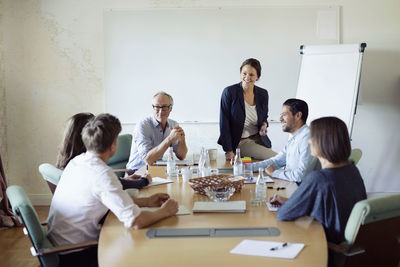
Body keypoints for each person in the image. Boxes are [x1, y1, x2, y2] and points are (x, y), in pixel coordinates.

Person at [47, 113, 178, 267]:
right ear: (113, 145)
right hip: (77, 254)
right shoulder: (102, 174)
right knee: (145, 250)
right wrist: (165, 211)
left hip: (59, 246)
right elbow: (136, 221)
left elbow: (103, 199)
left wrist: (146, 201)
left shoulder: (78, 161)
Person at [269, 116, 367, 246]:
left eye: (312, 137)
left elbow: (283, 214)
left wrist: (290, 204)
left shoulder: (318, 178)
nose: (309, 142)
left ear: (322, 142)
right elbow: (332, 204)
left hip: (326, 245)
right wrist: (292, 201)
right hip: (347, 242)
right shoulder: (352, 169)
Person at [56, 112, 151, 189]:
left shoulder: (74, 161)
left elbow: (105, 182)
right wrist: (143, 182)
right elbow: (105, 181)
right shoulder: (82, 164)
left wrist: (126, 180)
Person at [218, 58, 276, 162]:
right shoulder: (230, 92)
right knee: (276, 158)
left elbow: (264, 117)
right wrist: (228, 150)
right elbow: (224, 123)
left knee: (272, 162)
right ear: (240, 73)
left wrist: (264, 125)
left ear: (257, 77)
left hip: (259, 139)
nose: (247, 77)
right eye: (244, 73)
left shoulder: (263, 94)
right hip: (241, 142)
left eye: (251, 74)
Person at [252, 99, 317, 183]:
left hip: (302, 191)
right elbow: (276, 161)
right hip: (292, 185)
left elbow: (301, 176)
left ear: (298, 115)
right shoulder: (295, 136)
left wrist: (274, 173)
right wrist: (247, 167)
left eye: (284, 115)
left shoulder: (308, 138)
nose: (280, 119)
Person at [127, 92, 188, 172]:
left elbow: (181, 156)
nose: (160, 111)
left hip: (155, 169)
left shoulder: (173, 124)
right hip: (136, 172)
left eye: (164, 107)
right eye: (157, 107)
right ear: (153, 108)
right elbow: (148, 160)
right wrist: (169, 139)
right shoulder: (143, 126)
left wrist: (182, 139)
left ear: (170, 108)